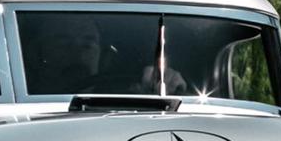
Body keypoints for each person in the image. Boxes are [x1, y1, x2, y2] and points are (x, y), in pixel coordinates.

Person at [33, 13, 186, 96]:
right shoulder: (18, 103)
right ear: (38, 52)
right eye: (63, 42)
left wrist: (164, 86)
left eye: (88, 43)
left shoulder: (127, 101)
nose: (77, 50)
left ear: (103, 56)